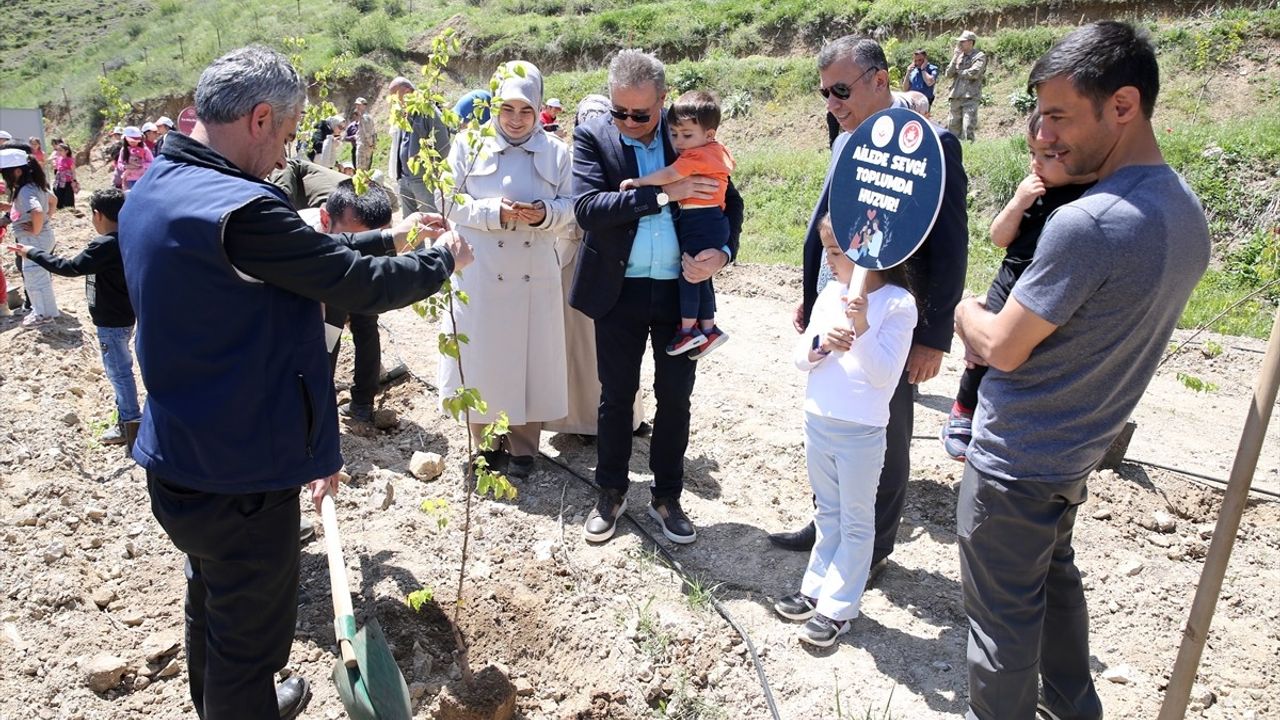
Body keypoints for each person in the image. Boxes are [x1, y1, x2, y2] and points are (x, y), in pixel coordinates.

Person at [118, 45, 473, 720]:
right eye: (284, 134)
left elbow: (296, 256)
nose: (285, 154)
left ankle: (228, 699)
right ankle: (241, 703)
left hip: (183, 454)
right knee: (250, 634)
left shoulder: (162, 185)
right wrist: (439, 260)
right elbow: (349, 283)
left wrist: (391, 237)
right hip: (242, 470)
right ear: (258, 119)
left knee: (213, 598)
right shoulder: (242, 209)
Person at [953, 22, 1210, 720]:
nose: (1046, 134)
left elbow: (1000, 347)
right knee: (1055, 583)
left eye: (1061, 115)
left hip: (1014, 465)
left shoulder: (1088, 224)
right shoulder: (1184, 211)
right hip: (1074, 457)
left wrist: (962, 311)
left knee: (999, 630)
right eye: (1040, 115)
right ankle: (1074, 708)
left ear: (1122, 106)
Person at [768, 37, 969, 585]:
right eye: (825, 94)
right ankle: (827, 527)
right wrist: (812, 297)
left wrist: (933, 336)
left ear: (879, 80)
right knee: (831, 419)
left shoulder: (934, 146)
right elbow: (830, 223)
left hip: (890, 319)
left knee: (884, 434)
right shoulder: (846, 141)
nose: (832, 103)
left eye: (841, 90)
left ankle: (873, 548)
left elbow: (950, 245)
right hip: (835, 306)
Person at [570, 48, 744, 545]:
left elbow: (730, 202)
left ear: (663, 101)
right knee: (616, 397)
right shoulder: (593, 135)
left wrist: (724, 253)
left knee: (675, 399)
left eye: (640, 114)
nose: (626, 121)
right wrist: (664, 193)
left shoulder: (688, 132)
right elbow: (588, 208)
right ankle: (610, 492)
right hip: (617, 292)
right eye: (617, 110)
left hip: (680, 292)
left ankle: (668, 497)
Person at [773, 214, 916, 647]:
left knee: (856, 520)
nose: (828, 261)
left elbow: (884, 375)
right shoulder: (829, 295)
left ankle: (839, 607)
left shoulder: (897, 304)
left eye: (835, 252)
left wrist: (863, 327)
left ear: (867, 252)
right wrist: (821, 345)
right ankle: (814, 588)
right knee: (827, 513)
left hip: (861, 429)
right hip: (818, 419)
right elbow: (801, 358)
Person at [439, 61, 574, 480]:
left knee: (530, 355)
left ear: (538, 110)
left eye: (526, 110)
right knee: (483, 354)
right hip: (480, 269)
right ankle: (482, 443)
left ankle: (523, 446)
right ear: (494, 106)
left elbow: (573, 207)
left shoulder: (558, 152)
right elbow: (447, 202)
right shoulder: (467, 145)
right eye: (508, 109)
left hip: (535, 269)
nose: (516, 119)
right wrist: (493, 211)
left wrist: (543, 214)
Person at [940, 112, 1097, 461]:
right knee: (980, 353)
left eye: (1046, 156)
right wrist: (1018, 201)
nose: (1035, 164)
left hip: (1049, 286)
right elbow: (999, 237)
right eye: (1032, 154)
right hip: (1010, 281)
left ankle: (989, 416)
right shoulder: (1034, 193)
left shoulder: (1091, 197)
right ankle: (963, 410)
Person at [546, 94, 646, 440]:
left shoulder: (618, 161)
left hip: (605, 262)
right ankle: (583, 422)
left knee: (611, 350)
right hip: (575, 261)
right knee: (580, 348)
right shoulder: (571, 162)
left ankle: (616, 418)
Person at [8, 188, 139, 444]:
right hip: (124, 316)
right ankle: (126, 415)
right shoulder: (128, 238)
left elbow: (69, 267)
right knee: (120, 369)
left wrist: (32, 252)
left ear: (97, 215)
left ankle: (129, 423)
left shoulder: (105, 245)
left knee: (118, 372)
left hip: (111, 321)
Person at [620, 89, 735, 358]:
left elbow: (671, 173)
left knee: (689, 275)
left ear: (709, 135)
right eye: (674, 134)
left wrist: (640, 182)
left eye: (686, 135)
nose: (679, 142)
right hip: (712, 220)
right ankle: (708, 329)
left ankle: (687, 331)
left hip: (700, 219)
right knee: (701, 276)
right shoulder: (717, 151)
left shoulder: (696, 156)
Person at [318, 180, 395, 424]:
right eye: (354, 242)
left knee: (365, 326)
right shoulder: (303, 234)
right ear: (325, 220)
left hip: (361, 280)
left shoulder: (383, 239)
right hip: (331, 276)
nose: (360, 252)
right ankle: (320, 406)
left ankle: (362, 403)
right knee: (329, 333)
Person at [1, 147, 61, 327]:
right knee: (41, 276)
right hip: (44, 237)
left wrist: (36, 228)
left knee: (34, 278)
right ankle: (47, 312)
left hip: (34, 239)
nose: (4, 178)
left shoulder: (26, 190)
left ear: (17, 171)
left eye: (5, 174)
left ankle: (42, 315)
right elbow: (53, 201)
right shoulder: (36, 184)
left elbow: (36, 210)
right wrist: (46, 220)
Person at [387, 76, 450, 214]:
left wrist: (435, 171)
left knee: (432, 222)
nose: (393, 101)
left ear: (408, 91)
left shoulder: (428, 111)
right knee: (410, 226)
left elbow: (443, 145)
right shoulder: (403, 114)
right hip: (405, 179)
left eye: (395, 96)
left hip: (423, 180)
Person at [944, 30, 987, 141]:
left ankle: (969, 152)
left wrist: (959, 71)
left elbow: (974, 73)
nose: (960, 44)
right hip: (956, 96)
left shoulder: (979, 56)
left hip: (970, 97)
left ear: (971, 42)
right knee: (952, 127)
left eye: (963, 41)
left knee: (967, 128)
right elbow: (948, 74)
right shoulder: (958, 56)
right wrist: (955, 58)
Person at [116, 126, 153, 190]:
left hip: (142, 178)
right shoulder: (124, 150)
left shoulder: (145, 149)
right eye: (131, 141)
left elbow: (152, 162)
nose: (133, 143)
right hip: (129, 180)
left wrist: (142, 165)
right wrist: (125, 167)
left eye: (136, 141)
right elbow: (119, 163)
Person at [351, 97, 376, 171]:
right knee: (364, 170)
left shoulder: (364, 118)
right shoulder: (366, 117)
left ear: (364, 106)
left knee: (361, 170)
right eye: (356, 105)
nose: (357, 107)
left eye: (359, 105)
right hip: (366, 146)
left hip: (363, 146)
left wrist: (371, 144)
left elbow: (368, 133)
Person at [51, 142, 78, 209]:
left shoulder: (70, 160)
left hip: (68, 181)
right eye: (58, 150)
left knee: (68, 196)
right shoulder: (58, 159)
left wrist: (74, 180)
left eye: (61, 150)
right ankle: (60, 207)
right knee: (58, 194)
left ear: (66, 151)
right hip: (60, 181)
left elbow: (73, 171)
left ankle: (69, 209)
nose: (59, 152)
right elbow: (57, 168)